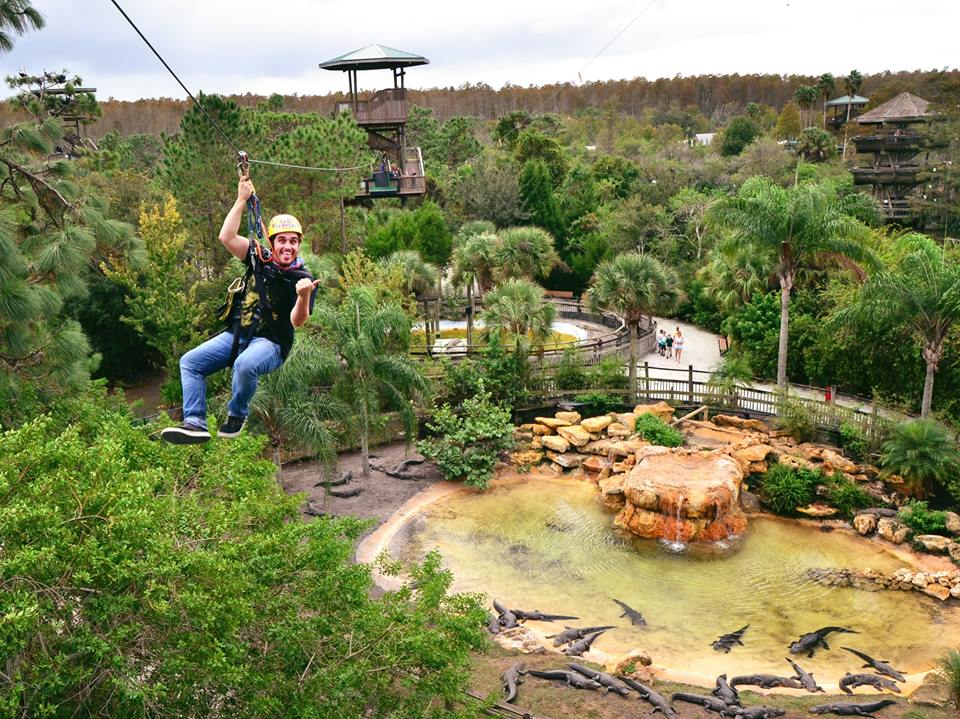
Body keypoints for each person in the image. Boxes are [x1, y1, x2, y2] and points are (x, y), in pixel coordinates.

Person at [161, 177, 320, 444]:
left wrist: (303, 296)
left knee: (245, 365)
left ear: (299, 245)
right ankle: (195, 422)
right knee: (190, 362)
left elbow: (297, 321)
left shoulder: (303, 278)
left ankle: (237, 414)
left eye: (293, 242)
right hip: (238, 335)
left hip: (272, 344)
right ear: (272, 242)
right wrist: (241, 200)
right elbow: (226, 237)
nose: (288, 247)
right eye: (282, 241)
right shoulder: (260, 258)